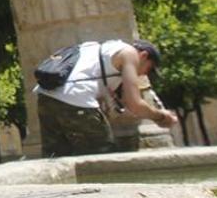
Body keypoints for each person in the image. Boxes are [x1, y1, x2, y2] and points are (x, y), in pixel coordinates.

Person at [34, 39, 178, 157]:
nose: (143, 75)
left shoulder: (97, 48)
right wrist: (160, 116)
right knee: (102, 156)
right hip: (76, 101)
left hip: (46, 98)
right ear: (144, 55)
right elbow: (134, 104)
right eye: (149, 69)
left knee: (55, 156)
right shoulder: (129, 53)